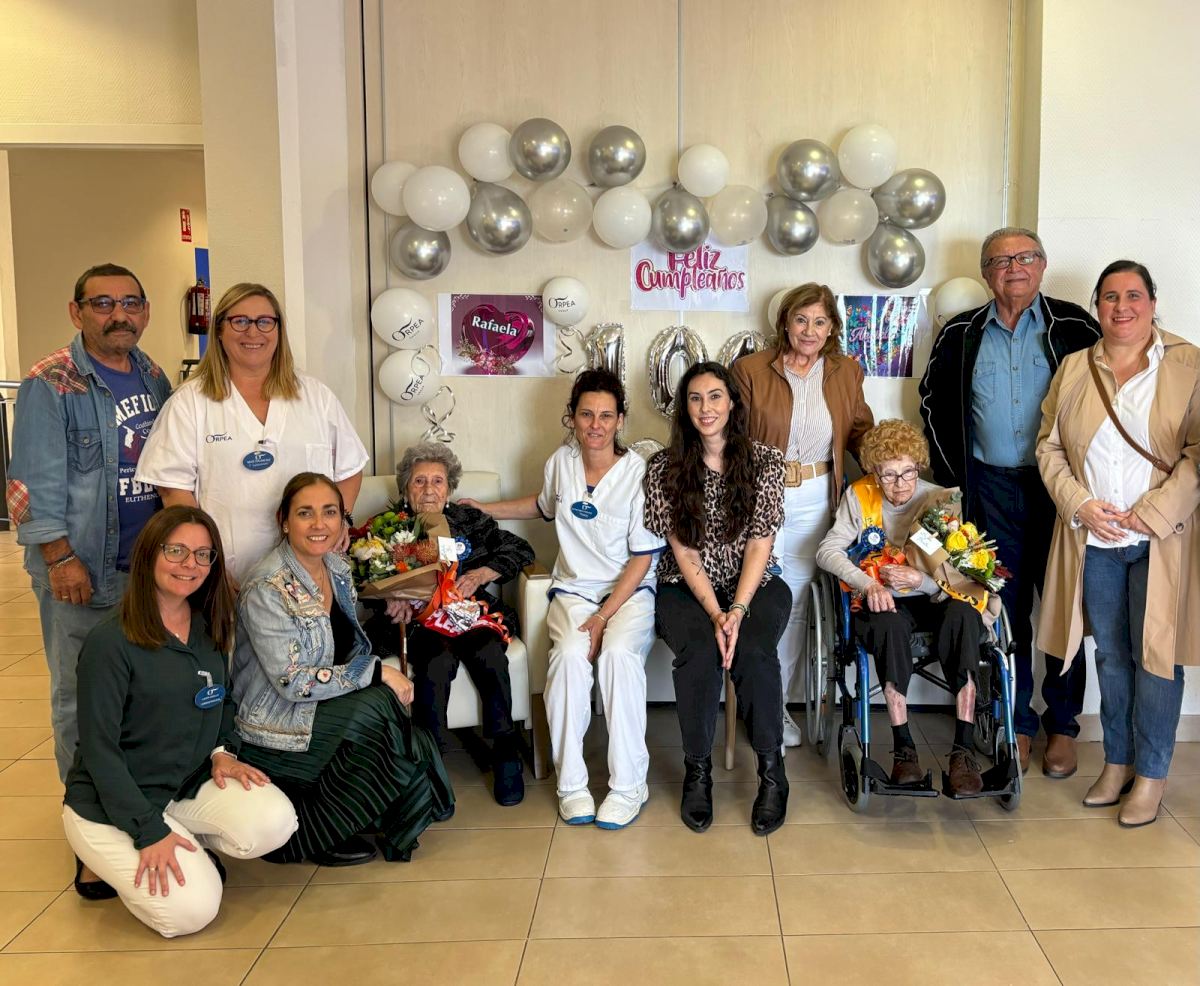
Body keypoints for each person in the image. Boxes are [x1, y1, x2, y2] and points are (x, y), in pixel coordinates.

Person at [63, 506, 297, 937]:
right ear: (149, 554)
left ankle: (186, 839)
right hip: (112, 803)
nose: (190, 564)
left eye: (203, 554)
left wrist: (223, 752)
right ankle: (116, 855)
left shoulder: (208, 626)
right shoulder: (109, 643)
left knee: (274, 821)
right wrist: (148, 831)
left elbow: (222, 699)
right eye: (176, 551)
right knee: (192, 912)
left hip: (182, 784)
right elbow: (99, 750)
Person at [919, 227, 1100, 778]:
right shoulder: (960, 333)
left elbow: (1107, 401)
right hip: (991, 490)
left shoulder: (1076, 327)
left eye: (1024, 257)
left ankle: (1062, 726)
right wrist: (958, 481)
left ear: (1042, 265)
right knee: (1006, 610)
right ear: (985, 273)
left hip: (1060, 489)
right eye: (1000, 261)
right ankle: (1016, 722)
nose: (1013, 268)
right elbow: (931, 405)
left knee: (1064, 607)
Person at [1037, 261, 1200, 827]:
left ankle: (1151, 775)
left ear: (1152, 302)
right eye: (1110, 297)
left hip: (1162, 539)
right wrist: (1079, 503)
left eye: (1133, 295)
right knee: (1108, 654)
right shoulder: (1075, 367)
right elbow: (1049, 446)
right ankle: (1117, 761)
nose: (1121, 307)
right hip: (1095, 540)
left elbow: (1198, 452)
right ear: (1097, 306)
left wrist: (1153, 513)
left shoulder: (1188, 364)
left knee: (1157, 657)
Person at [466, 370, 664, 829]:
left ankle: (629, 786)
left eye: (606, 416)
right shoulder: (561, 462)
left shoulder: (638, 474)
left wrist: (604, 617)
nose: (596, 425)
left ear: (620, 421)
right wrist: (486, 509)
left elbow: (642, 559)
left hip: (629, 592)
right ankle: (571, 785)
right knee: (570, 657)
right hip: (575, 589)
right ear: (572, 417)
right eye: (586, 414)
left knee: (617, 656)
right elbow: (543, 505)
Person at [231, 473, 453, 865]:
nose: (319, 524)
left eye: (329, 512)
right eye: (305, 513)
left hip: (324, 703)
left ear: (341, 519)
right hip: (276, 720)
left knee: (385, 707)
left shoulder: (336, 568)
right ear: (285, 521)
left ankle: (364, 814)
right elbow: (293, 682)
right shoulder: (267, 586)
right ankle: (307, 837)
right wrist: (374, 672)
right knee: (377, 707)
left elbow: (347, 647)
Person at [7, 262, 173, 783]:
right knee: (82, 700)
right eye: (102, 303)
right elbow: (30, 483)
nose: (118, 314)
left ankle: (133, 799)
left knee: (140, 695)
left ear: (145, 312)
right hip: (81, 572)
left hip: (145, 571)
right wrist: (59, 559)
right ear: (77, 313)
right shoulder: (52, 381)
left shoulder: (153, 376)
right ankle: (86, 813)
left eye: (130, 303)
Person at [136, 283, 368, 583]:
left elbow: (350, 468)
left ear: (278, 330)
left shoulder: (316, 397)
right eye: (240, 321)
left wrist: (338, 522)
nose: (253, 332)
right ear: (220, 330)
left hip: (311, 572)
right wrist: (208, 565)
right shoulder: (189, 402)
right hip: (229, 573)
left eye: (264, 321)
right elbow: (173, 489)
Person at [816, 420, 1001, 795]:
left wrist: (921, 581)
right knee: (888, 624)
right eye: (889, 475)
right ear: (875, 472)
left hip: (935, 599)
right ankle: (904, 751)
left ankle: (963, 751)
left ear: (919, 465)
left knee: (965, 615)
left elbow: (961, 573)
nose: (900, 484)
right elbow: (827, 551)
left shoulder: (938, 501)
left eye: (908, 472)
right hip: (884, 604)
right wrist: (868, 584)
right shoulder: (860, 496)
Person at [644, 362, 790, 835]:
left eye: (714, 396)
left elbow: (760, 544)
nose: (705, 408)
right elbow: (683, 552)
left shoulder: (765, 461)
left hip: (754, 584)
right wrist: (715, 613)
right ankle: (698, 773)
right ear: (684, 408)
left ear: (731, 404)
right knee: (701, 652)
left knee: (754, 650)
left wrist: (737, 612)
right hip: (686, 587)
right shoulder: (664, 468)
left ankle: (773, 775)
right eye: (695, 398)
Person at [733, 282, 873, 748]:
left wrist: (895, 471)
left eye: (819, 321)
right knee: (761, 599)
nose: (809, 330)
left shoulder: (846, 371)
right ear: (785, 323)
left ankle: (773, 708)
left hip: (817, 497)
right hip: (763, 497)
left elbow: (860, 432)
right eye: (800, 320)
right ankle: (757, 702)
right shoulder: (750, 370)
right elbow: (730, 440)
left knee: (793, 606)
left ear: (832, 328)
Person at [367, 441, 534, 808]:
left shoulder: (469, 521)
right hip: (419, 623)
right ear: (406, 489)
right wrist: (391, 596)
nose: (429, 489)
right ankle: (430, 766)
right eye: (419, 481)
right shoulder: (386, 527)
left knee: (489, 652)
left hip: (469, 612)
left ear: (449, 488)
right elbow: (362, 576)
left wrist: (482, 573)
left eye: (438, 481)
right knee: (436, 663)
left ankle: (505, 749)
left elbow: (519, 549)